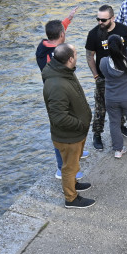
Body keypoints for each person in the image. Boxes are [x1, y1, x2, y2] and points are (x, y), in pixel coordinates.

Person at [35, 6, 89, 179]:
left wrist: (68, 19)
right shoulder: (53, 55)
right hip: (56, 92)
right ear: (61, 36)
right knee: (59, 127)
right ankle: (61, 168)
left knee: (71, 117)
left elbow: (58, 31)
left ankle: (76, 151)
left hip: (63, 87)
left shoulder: (43, 45)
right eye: (63, 31)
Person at [41, 43, 95, 209]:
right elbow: (59, 117)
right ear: (70, 59)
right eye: (76, 54)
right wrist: (80, 125)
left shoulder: (63, 71)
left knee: (73, 164)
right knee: (69, 167)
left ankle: (74, 184)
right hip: (69, 136)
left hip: (75, 134)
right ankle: (71, 198)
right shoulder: (57, 84)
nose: (77, 56)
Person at [85, 4, 127, 151]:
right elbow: (89, 56)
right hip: (103, 78)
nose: (100, 23)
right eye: (98, 19)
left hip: (121, 76)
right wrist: (95, 75)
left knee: (121, 104)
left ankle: (121, 126)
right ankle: (97, 134)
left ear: (112, 18)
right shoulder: (93, 34)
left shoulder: (123, 30)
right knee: (101, 107)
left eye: (103, 20)